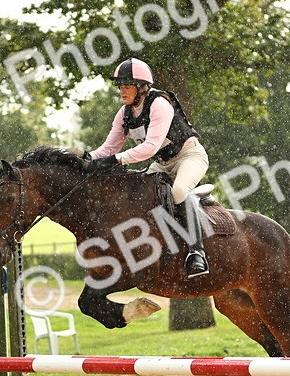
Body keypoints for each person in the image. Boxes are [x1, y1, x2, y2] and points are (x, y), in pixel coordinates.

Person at [84, 58, 211, 277]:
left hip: (189, 157)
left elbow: (150, 147)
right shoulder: (124, 113)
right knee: (137, 194)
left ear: (142, 87)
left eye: (127, 86)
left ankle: (196, 253)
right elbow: (109, 148)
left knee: (179, 190)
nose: (122, 91)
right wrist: (85, 158)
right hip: (162, 164)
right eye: (120, 86)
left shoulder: (160, 103)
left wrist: (117, 160)